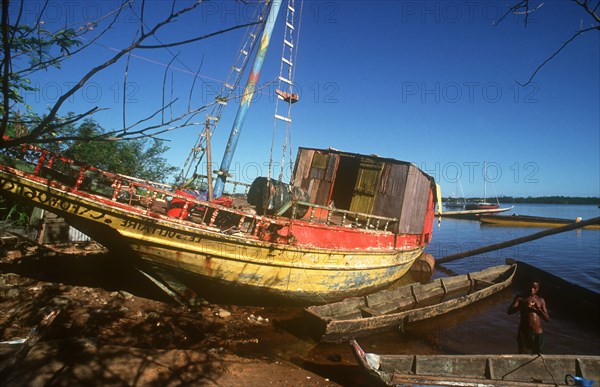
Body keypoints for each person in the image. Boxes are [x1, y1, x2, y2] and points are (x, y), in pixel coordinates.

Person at [507, 279, 550, 354]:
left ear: (538, 289)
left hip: (538, 333)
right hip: (524, 332)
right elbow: (509, 311)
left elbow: (547, 319)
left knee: (538, 355)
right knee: (522, 353)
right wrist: (521, 306)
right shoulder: (520, 298)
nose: (532, 290)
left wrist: (538, 309)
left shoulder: (541, 300)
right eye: (530, 287)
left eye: (534, 288)